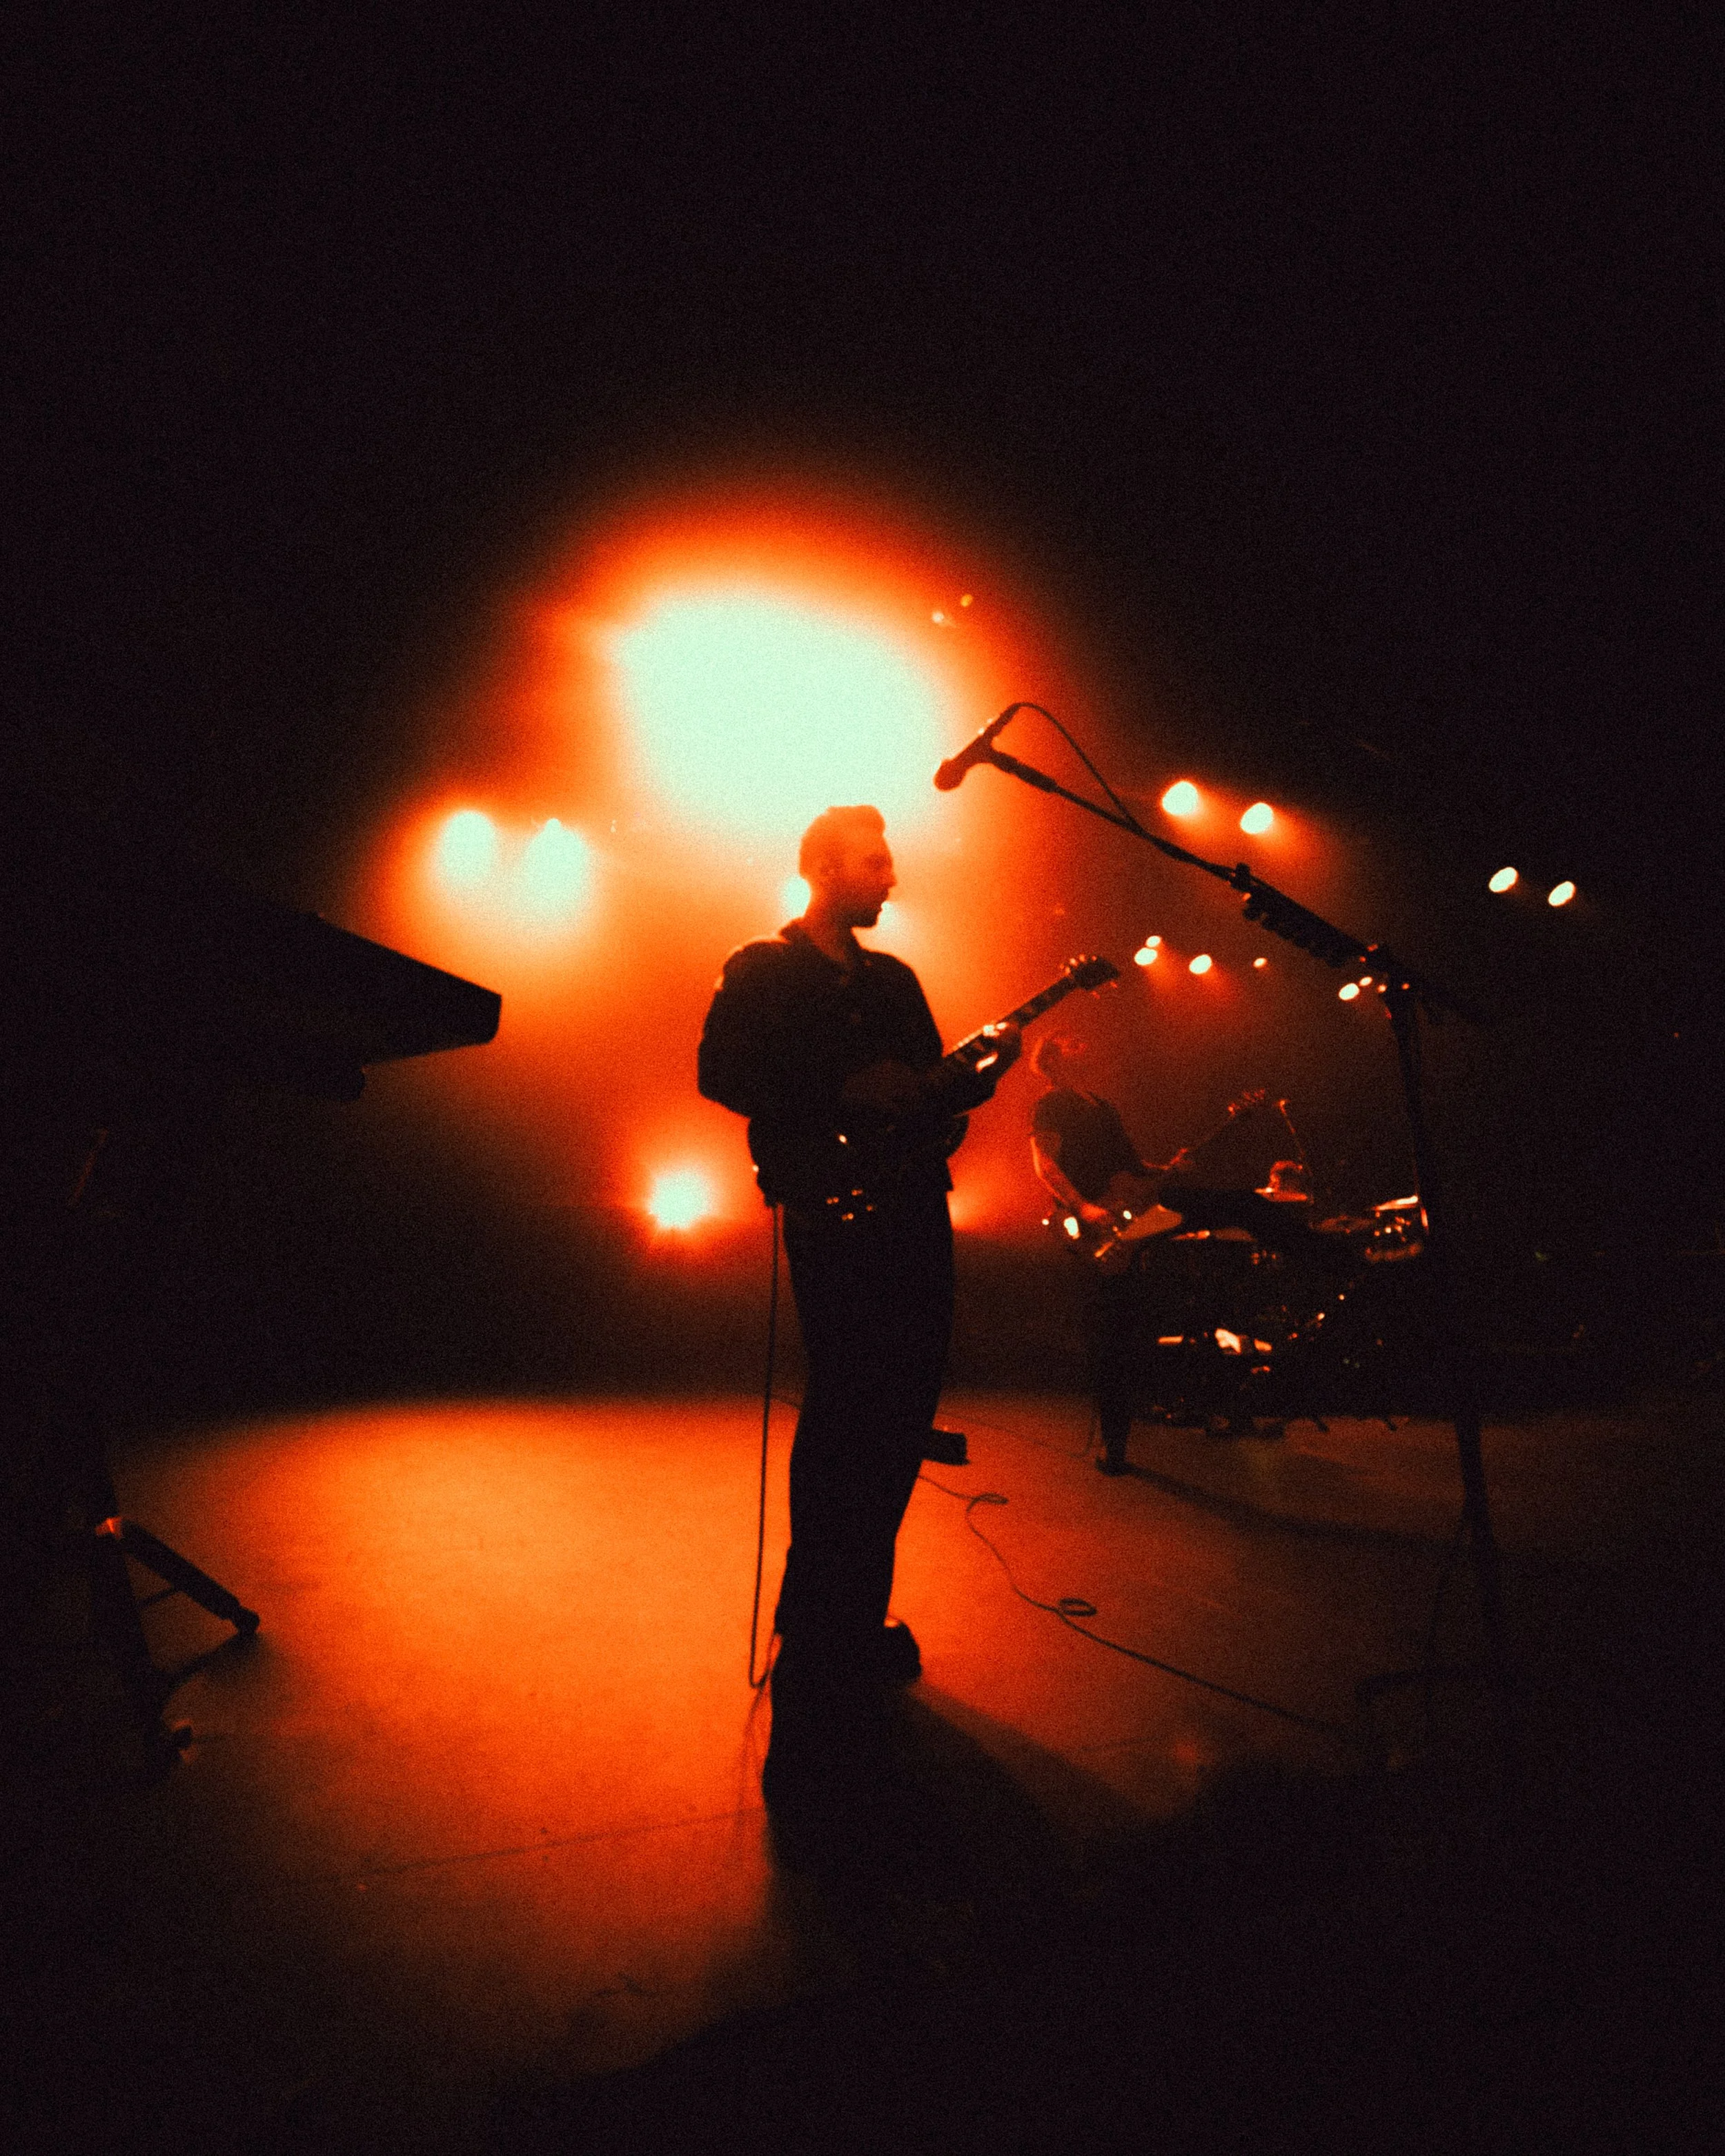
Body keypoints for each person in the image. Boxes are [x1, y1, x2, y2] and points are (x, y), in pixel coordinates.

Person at [698, 805, 1021, 1830]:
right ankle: (813, 1676)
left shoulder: (896, 983)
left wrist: (965, 1087)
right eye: (876, 862)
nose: (893, 878)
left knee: (894, 1425)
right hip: (834, 1221)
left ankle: (844, 1619)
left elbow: (928, 1103)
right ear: (822, 868)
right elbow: (721, 1074)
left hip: (914, 1218)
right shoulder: (763, 968)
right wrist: (841, 1086)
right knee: (846, 1421)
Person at [1029, 1034, 1181, 1474]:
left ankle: (1126, 1434)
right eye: (1071, 1043)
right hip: (1090, 1229)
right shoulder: (1052, 1104)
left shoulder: (1105, 1106)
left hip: (1124, 1223)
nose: (1085, 1045)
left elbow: (1132, 1168)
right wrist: (1083, 1206)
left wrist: (1167, 1169)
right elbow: (1046, 1164)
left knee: (1131, 1329)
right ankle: (1114, 1446)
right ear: (1053, 1058)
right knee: (1109, 1333)